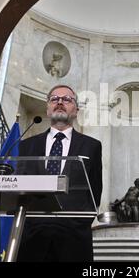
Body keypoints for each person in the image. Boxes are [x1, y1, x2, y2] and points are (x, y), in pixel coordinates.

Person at [17, 84, 102, 262]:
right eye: (54, 99)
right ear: (48, 109)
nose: (60, 102)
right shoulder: (26, 145)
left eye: (67, 99)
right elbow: (20, 189)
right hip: (32, 238)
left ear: (76, 110)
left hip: (74, 239)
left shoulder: (92, 146)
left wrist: (79, 223)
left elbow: (95, 191)